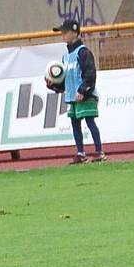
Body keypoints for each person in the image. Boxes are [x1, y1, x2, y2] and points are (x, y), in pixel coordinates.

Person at [47, 19, 107, 164]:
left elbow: (90, 74)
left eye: (65, 32)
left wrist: (83, 90)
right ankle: (80, 153)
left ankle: (99, 151)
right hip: (72, 97)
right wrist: (54, 85)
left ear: (75, 32)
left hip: (85, 96)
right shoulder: (65, 56)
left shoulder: (83, 52)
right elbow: (65, 81)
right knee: (75, 125)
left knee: (90, 121)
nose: (63, 35)